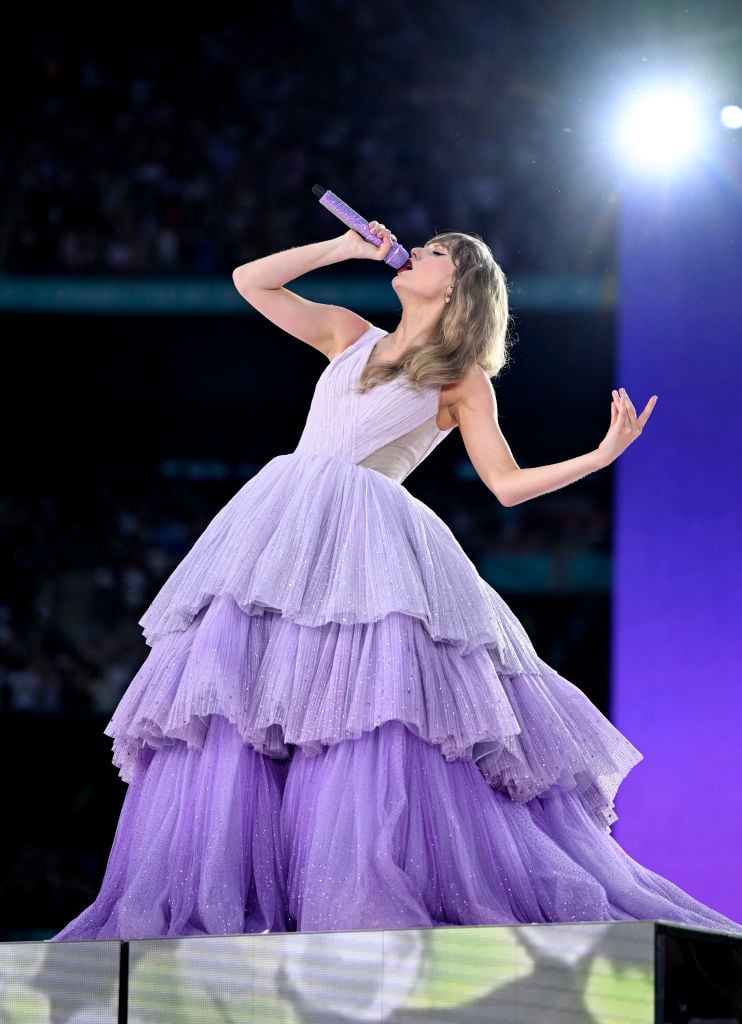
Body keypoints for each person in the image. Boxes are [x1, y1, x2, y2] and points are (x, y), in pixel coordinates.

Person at [52, 216, 741, 940]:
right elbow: (250, 281)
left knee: (358, 717)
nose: (420, 251)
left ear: (458, 288)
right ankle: (232, 905)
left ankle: (353, 899)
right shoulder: (351, 333)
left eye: (438, 252)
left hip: (366, 542)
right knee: (241, 704)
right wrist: (345, 248)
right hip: (284, 533)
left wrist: (597, 459)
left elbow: (503, 483)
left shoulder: (461, 378)